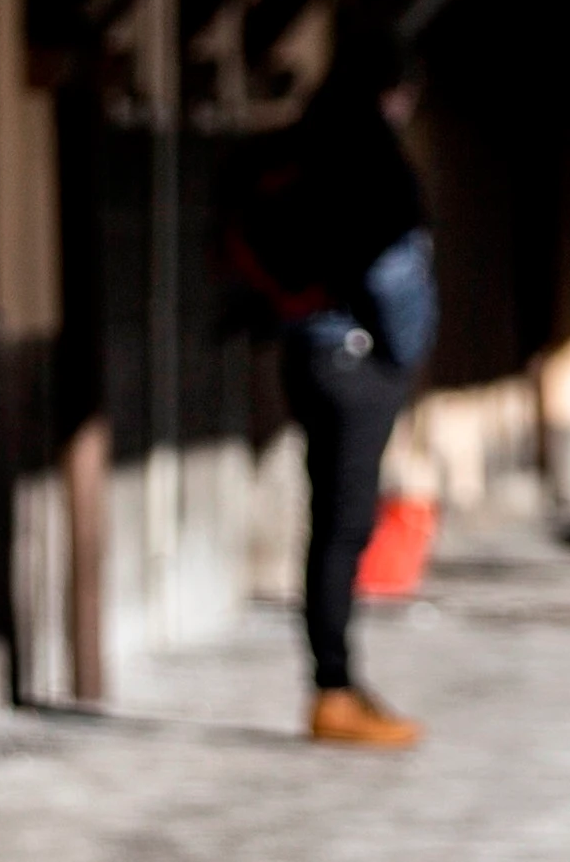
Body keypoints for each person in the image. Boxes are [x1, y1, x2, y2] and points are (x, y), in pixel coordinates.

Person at [226, 65, 438, 749]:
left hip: (304, 349)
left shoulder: (291, 154)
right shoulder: (374, 162)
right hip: (357, 357)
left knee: (330, 523)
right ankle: (335, 687)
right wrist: (401, 353)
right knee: (344, 526)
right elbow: (393, 268)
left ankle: (336, 682)